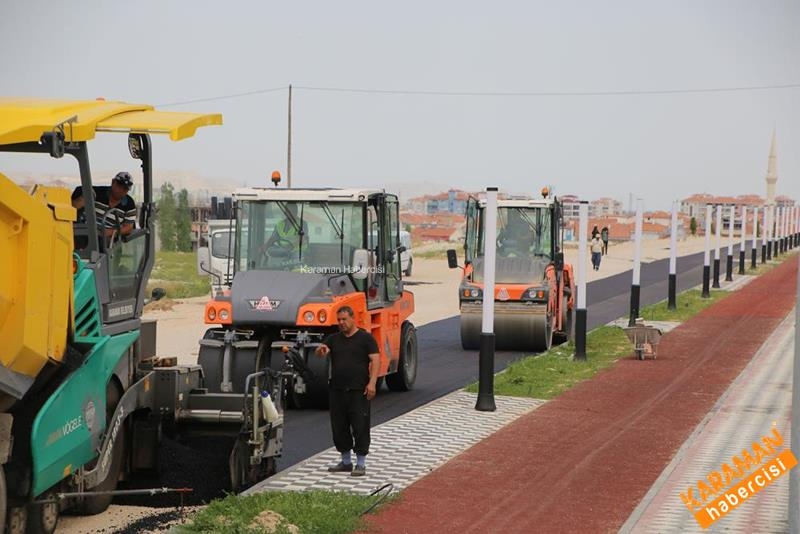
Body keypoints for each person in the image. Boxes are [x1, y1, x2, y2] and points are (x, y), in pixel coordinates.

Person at [315, 306, 380, 477]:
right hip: (337, 390)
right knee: (339, 426)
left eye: (344, 319)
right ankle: (345, 461)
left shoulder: (366, 338)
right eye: (339, 320)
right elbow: (323, 350)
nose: (341, 323)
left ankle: (360, 463)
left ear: (353, 318)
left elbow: (375, 360)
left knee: (360, 425)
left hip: (359, 390)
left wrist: (372, 383)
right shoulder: (334, 339)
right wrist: (320, 351)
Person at [71, 171, 137, 246]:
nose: (121, 190)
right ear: (113, 182)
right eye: (119, 185)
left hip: (106, 239)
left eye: (125, 189)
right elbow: (74, 205)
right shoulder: (96, 193)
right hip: (86, 232)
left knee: (103, 244)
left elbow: (128, 227)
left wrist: (111, 232)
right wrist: (80, 202)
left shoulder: (129, 204)